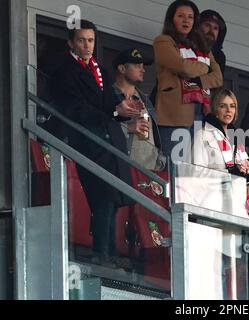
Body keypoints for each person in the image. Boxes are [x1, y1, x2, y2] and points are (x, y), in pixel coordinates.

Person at [51, 20, 139, 267]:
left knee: (112, 198)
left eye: (91, 40)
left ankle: (109, 252)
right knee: (103, 196)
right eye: (81, 40)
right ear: (71, 42)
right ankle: (102, 252)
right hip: (89, 141)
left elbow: (110, 103)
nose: (87, 45)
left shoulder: (100, 69)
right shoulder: (65, 71)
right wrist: (113, 113)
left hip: (110, 140)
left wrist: (124, 110)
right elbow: (76, 109)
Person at [153, 0, 223, 158]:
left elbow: (218, 77)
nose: (186, 20)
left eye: (190, 17)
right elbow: (182, 66)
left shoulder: (202, 46)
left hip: (201, 112)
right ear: (172, 19)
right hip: (175, 114)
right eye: (181, 16)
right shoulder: (163, 41)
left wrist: (199, 80)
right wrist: (205, 68)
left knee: (193, 167)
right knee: (175, 166)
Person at [191, 88, 249, 215]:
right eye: (223, 106)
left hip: (238, 208)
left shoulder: (237, 140)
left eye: (232, 106)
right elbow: (197, 174)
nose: (229, 110)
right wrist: (230, 173)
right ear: (215, 109)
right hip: (213, 206)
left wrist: (244, 174)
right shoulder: (202, 135)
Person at [112, 48, 166, 171]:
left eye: (142, 66)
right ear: (122, 69)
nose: (143, 70)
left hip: (151, 171)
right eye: (137, 65)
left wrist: (160, 160)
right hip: (124, 170)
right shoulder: (109, 96)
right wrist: (128, 127)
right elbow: (101, 126)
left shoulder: (144, 99)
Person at [199, 9, 227, 76]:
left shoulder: (219, 56)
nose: (211, 31)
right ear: (198, 27)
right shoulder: (186, 45)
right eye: (207, 25)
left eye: (215, 28)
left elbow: (218, 83)